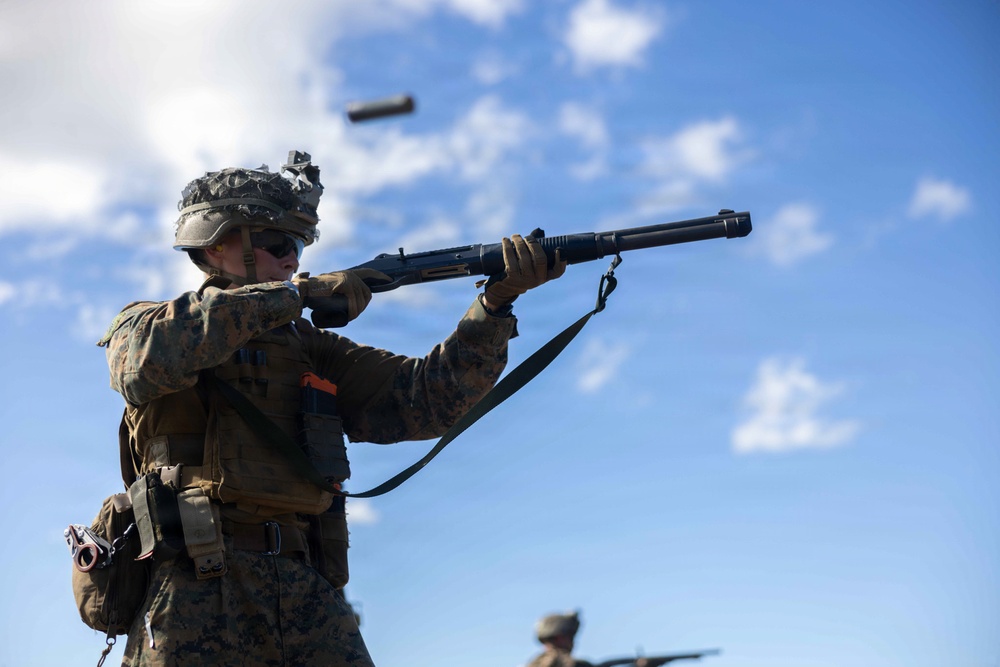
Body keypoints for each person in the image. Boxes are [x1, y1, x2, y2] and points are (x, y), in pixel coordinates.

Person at [97, 151, 564, 666]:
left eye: (296, 246)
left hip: (305, 589)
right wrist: (292, 297)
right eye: (277, 242)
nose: (292, 257)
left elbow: (427, 400)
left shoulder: (311, 349)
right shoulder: (149, 324)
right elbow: (145, 362)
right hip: (195, 584)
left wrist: (495, 305)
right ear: (216, 242)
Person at [526, 611, 652, 667]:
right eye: (570, 636)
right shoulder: (562, 662)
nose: (573, 641)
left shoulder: (534, 663)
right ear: (560, 637)